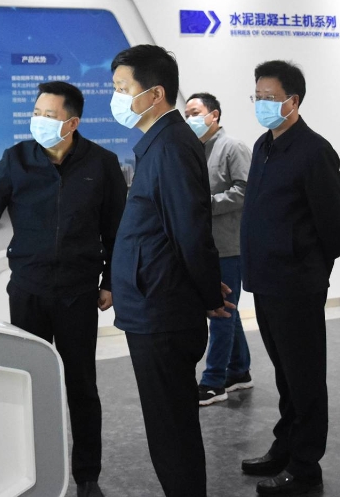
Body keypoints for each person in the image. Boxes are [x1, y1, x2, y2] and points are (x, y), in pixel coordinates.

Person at [0, 81, 127, 497]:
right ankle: (32, 471)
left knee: (82, 387)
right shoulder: (17, 159)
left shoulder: (101, 164)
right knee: (30, 383)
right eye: (36, 113)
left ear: (72, 123)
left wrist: (111, 283)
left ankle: (87, 478)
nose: (39, 121)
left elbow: (117, 231)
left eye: (49, 115)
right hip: (29, 290)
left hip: (78, 293)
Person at [108, 44, 233, 497]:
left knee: (171, 426)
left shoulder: (172, 146)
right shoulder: (159, 144)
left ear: (155, 93)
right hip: (153, 301)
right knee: (168, 423)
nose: (116, 97)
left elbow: (190, 231)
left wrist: (208, 294)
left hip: (161, 310)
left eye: (123, 88)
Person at [240, 60, 340, 496]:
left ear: (293, 100)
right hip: (266, 280)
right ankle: (284, 446)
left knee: (304, 378)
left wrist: (310, 269)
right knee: (285, 375)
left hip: (297, 283)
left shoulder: (314, 150)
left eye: (269, 97)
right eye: (257, 97)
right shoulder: (264, 145)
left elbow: (332, 226)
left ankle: (305, 466)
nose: (261, 104)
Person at [184, 92, 253, 406]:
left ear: (214, 115)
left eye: (195, 112)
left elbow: (246, 191)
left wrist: (206, 204)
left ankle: (213, 381)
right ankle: (239, 371)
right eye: (187, 113)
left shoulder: (232, 147)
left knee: (222, 312)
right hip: (203, 245)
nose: (190, 118)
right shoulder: (194, 150)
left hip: (228, 245)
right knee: (227, 309)